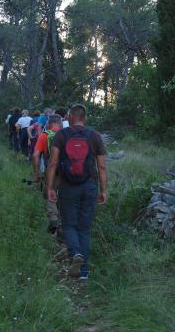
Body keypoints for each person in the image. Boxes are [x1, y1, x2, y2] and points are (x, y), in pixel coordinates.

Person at [46, 104, 108, 281]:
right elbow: (102, 166)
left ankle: (75, 255)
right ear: (84, 118)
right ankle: (84, 272)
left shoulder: (61, 135)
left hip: (67, 186)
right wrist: (103, 190)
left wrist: (50, 187)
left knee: (68, 225)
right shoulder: (94, 136)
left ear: (70, 117)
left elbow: (53, 163)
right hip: (89, 185)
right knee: (84, 227)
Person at [32, 114, 64, 235]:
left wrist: (37, 173)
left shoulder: (44, 136)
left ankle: (53, 219)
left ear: (48, 125)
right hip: (68, 172)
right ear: (60, 124)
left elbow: (35, 156)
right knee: (64, 195)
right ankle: (62, 224)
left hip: (51, 171)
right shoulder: (67, 135)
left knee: (51, 193)